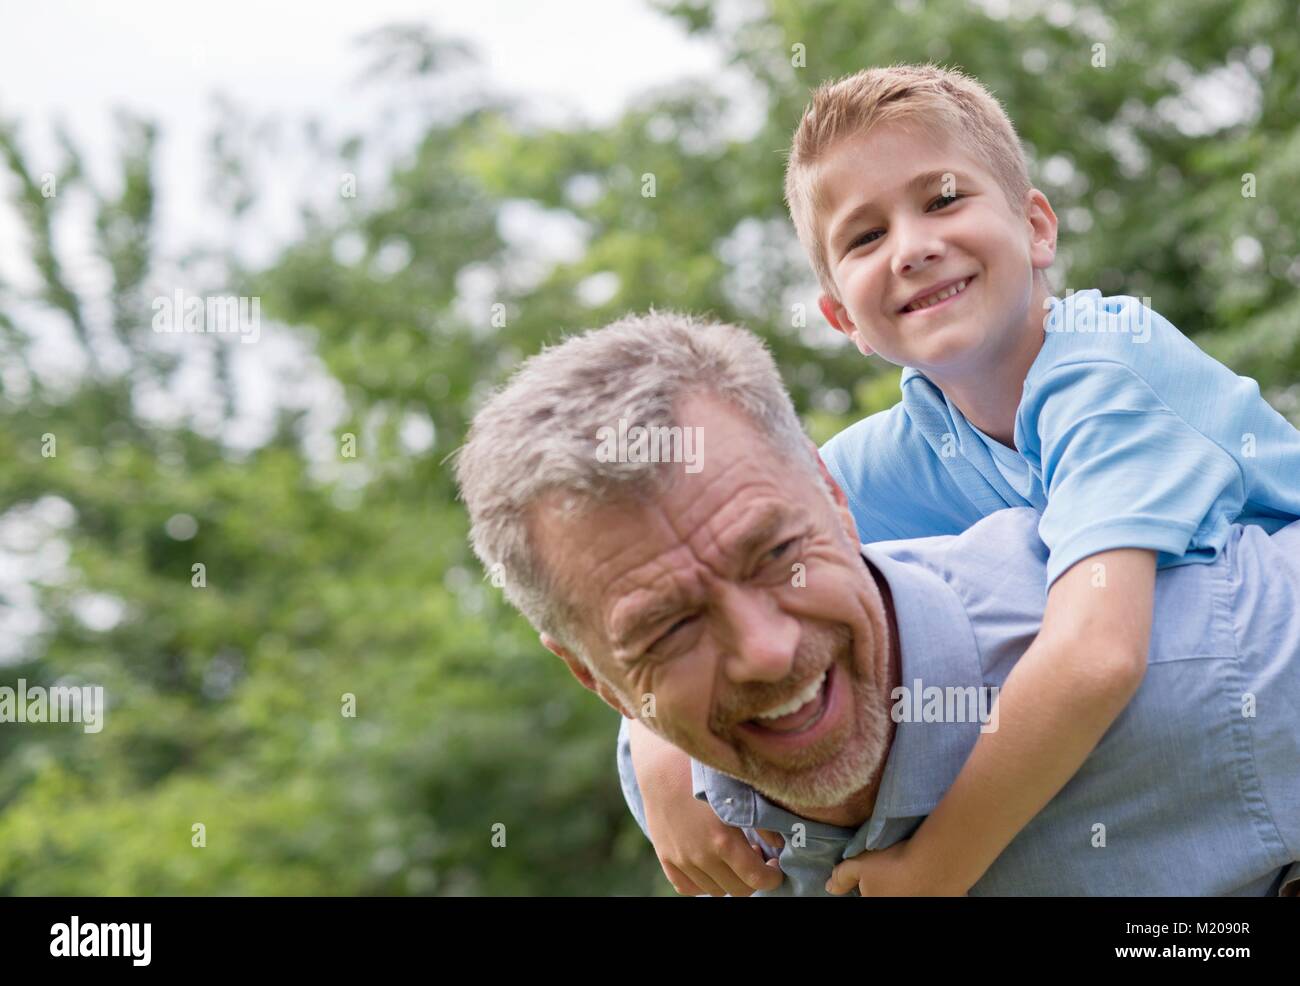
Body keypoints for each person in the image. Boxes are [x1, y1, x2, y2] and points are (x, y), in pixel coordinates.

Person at [622, 64, 1300, 896]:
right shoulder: (903, 446)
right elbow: (690, 566)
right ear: (843, 319)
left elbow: (1096, 655)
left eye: (943, 200)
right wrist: (662, 751)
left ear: (1037, 228)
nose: (912, 247)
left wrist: (937, 865)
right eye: (865, 238)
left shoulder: (1108, 368)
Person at [453, 311, 1300, 896]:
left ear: (835, 495)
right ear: (595, 679)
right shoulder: (689, 802)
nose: (767, 653)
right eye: (670, 628)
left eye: (777, 556)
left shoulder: (1227, 667)